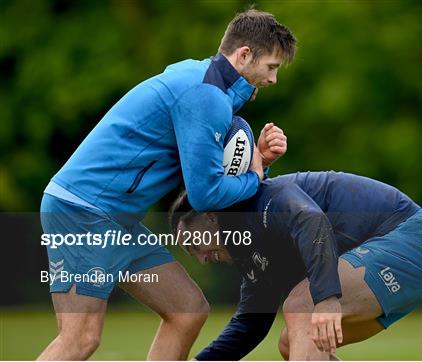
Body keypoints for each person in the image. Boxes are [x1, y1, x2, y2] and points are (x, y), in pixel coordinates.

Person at [38, 8, 296, 361]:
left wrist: (258, 159)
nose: (273, 79)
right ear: (245, 55)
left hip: (117, 220)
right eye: (272, 67)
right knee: (80, 338)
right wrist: (255, 176)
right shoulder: (205, 95)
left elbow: (207, 169)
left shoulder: (204, 84)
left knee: (186, 309)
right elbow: (205, 194)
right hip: (82, 211)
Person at [171, 171, 422, 360]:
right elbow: (251, 324)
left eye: (194, 245)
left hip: (416, 239)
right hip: (403, 253)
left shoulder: (266, 201)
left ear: (210, 217)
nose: (201, 258)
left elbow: (311, 220)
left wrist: (327, 298)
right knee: (290, 342)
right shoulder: (251, 251)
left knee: (302, 306)